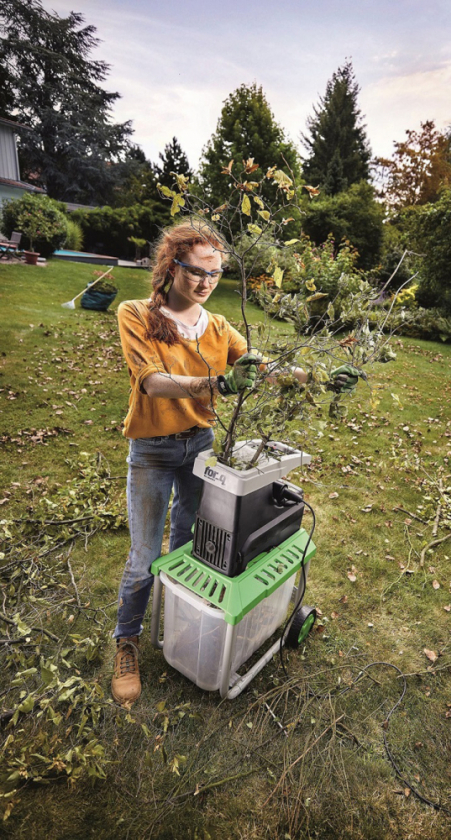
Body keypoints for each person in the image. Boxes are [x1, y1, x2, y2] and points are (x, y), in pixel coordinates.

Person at [112, 221, 360, 704]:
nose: (206, 282)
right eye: (196, 271)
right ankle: (127, 640)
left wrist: (322, 378)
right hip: (153, 452)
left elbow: (266, 371)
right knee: (144, 557)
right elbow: (151, 381)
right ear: (171, 266)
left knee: (187, 548)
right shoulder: (137, 313)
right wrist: (217, 384)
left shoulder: (220, 327)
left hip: (201, 448)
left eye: (215, 273)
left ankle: (180, 624)